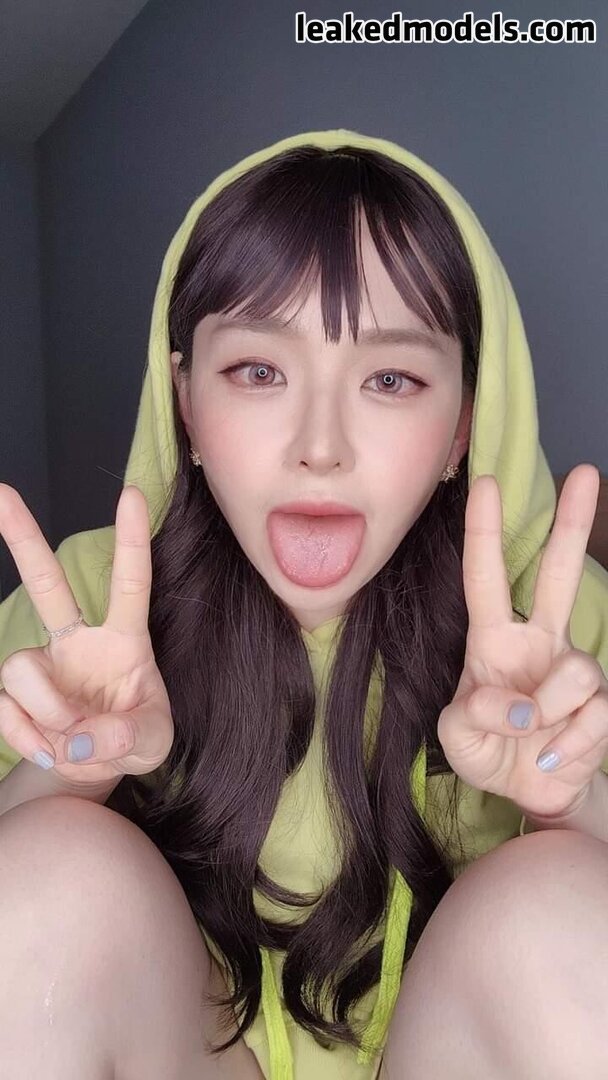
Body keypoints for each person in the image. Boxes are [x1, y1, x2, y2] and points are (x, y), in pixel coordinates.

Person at [0, 128, 607, 1080]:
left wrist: (573, 805)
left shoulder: (562, 629)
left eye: (391, 379)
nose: (320, 445)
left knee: (556, 901)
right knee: (48, 872)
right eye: (258, 372)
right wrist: (67, 776)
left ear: (461, 427)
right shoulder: (81, 609)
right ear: (186, 404)